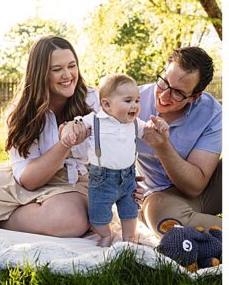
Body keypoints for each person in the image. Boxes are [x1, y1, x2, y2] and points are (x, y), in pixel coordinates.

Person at [0, 36, 97, 238]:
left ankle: (3, 219)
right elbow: (28, 180)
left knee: (69, 220)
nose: (68, 75)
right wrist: (65, 143)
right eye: (57, 69)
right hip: (30, 180)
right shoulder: (21, 113)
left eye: (72, 66)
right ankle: (27, 214)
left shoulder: (93, 101)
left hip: (75, 183)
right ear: (40, 73)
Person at [74, 74, 167, 246]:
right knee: (98, 215)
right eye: (128, 101)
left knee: (130, 212)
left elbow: (149, 132)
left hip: (128, 178)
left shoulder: (135, 123)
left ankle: (129, 238)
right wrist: (70, 130)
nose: (135, 106)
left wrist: (158, 127)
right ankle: (104, 235)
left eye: (137, 101)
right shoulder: (94, 120)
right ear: (106, 104)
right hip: (101, 179)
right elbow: (76, 125)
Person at [137, 47, 221, 231]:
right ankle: (202, 226)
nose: (164, 95)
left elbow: (195, 186)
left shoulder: (211, 113)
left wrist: (162, 146)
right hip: (159, 197)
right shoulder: (134, 101)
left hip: (201, 190)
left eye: (178, 92)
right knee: (162, 217)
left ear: (195, 96)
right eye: (164, 82)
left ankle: (199, 226)